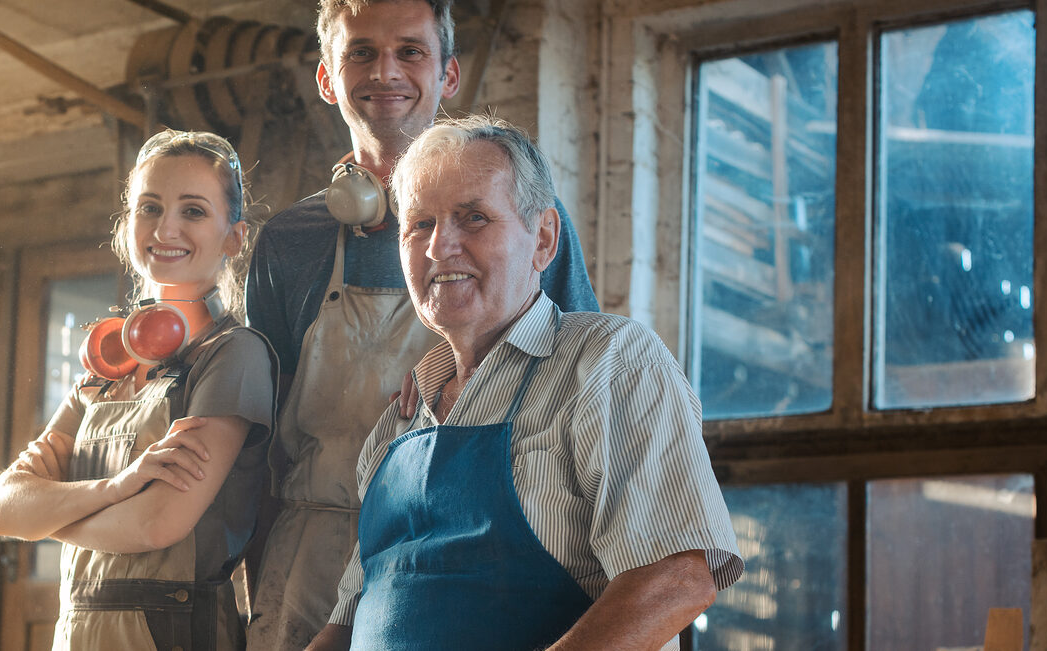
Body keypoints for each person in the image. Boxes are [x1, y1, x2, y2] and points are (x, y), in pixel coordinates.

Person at [309, 116, 743, 651]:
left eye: (473, 218)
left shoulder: (606, 362)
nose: (439, 246)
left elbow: (675, 579)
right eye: (419, 224)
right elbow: (348, 623)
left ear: (543, 239)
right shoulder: (396, 425)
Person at [245, 1, 601, 647]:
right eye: (360, 51)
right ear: (327, 76)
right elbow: (261, 448)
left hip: (456, 551)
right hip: (307, 563)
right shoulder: (288, 243)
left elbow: (581, 391)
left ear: (449, 76)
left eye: (411, 51)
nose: (386, 71)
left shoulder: (524, 226)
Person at [0, 129, 277, 651]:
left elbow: (156, 524)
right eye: (150, 207)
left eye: (193, 211)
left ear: (233, 237)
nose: (166, 227)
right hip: (76, 632)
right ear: (126, 227)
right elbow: (4, 509)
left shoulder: (234, 355)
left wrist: (49, 517)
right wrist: (120, 487)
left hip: (172, 634)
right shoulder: (105, 367)